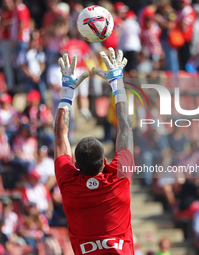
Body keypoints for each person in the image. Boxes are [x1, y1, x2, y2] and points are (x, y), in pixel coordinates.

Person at [54, 48, 135, 254]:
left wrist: (67, 92)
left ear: (76, 165)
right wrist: (117, 83)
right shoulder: (118, 180)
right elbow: (125, 127)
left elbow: (60, 138)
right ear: (105, 161)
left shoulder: (69, 184)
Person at [0, 0, 15, 89]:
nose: (6, 3)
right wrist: (10, 22)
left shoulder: (16, 11)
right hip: (5, 40)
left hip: (15, 41)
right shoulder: (3, 12)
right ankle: (10, 83)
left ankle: (19, 81)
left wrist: (8, 22)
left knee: (19, 63)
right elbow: (1, 24)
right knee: (7, 63)